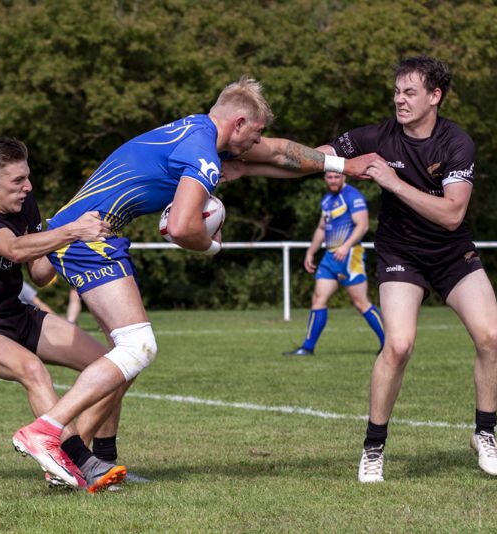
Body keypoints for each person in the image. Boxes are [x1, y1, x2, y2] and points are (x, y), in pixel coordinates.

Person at [28, 76, 371, 484]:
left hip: (86, 233)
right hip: (88, 239)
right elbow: (182, 226)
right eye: (256, 132)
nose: (257, 141)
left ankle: (83, 459)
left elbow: (279, 153)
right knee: (137, 347)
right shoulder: (202, 154)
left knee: (124, 358)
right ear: (239, 123)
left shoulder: (196, 129)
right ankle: (48, 432)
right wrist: (212, 247)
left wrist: (343, 165)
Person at [226, 56, 497, 483]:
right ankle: (373, 448)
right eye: (396, 91)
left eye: (410, 92)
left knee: (491, 336)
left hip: (452, 253)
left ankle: (484, 433)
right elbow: (313, 158)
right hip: (401, 255)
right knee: (398, 345)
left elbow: (452, 214)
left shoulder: (456, 143)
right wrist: (248, 164)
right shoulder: (374, 137)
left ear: (435, 97)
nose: (400, 99)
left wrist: (392, 182)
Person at [0, 136, 127, 492]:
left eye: (28, 177)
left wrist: (67, 244)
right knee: (32, 369)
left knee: (112, 365)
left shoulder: (25, 206)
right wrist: (70, 230)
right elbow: (12, 249)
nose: (27, 187)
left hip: (15, 313)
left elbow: (40, 275)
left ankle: (99, 456)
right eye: (18, 181)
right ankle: (79, 461)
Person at [282, 171, 384, 356]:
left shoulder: (353, 196)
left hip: (350, 255)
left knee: (360, 303)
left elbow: (363, 226)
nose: (333, 180)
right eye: (329, 177)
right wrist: (311, 252)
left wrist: (345, 246)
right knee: (318, 299)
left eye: (337, 177)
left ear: (344, 177)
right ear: (325, 179)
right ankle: (307, 347)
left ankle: (389, 344)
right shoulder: (327, 199)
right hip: (330, 257)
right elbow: (322, 228)